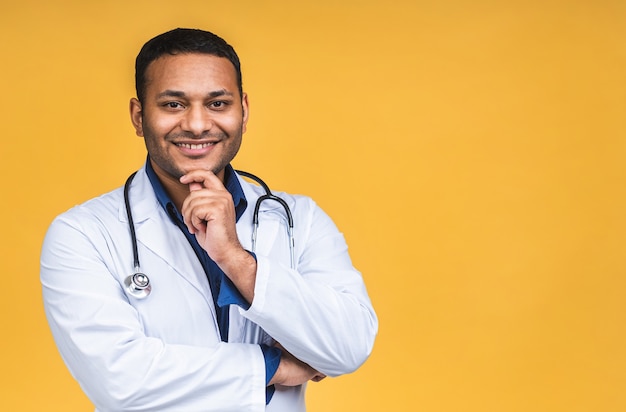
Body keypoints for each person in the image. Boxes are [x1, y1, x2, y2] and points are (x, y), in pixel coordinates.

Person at [40, 28, 377, 412]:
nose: (198, 125)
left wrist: (236, 260)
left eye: (217, 104)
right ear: (138, 116)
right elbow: (120, 381)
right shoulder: (82, 234)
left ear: (244, 112)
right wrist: (274, 367)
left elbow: (349, 346)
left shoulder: (299, 220)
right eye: (173, 105)